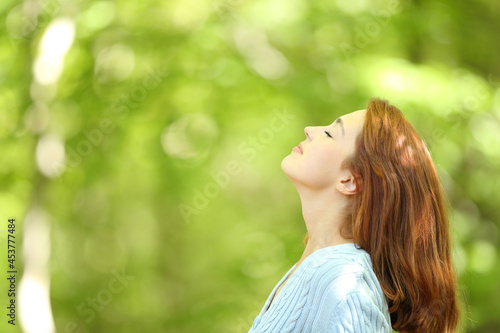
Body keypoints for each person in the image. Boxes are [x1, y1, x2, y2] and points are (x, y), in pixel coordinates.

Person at [248, 98, 460, 333]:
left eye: (330, 134)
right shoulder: (321, 269)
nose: (310, 130)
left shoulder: (347, 286)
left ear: (349, 181)